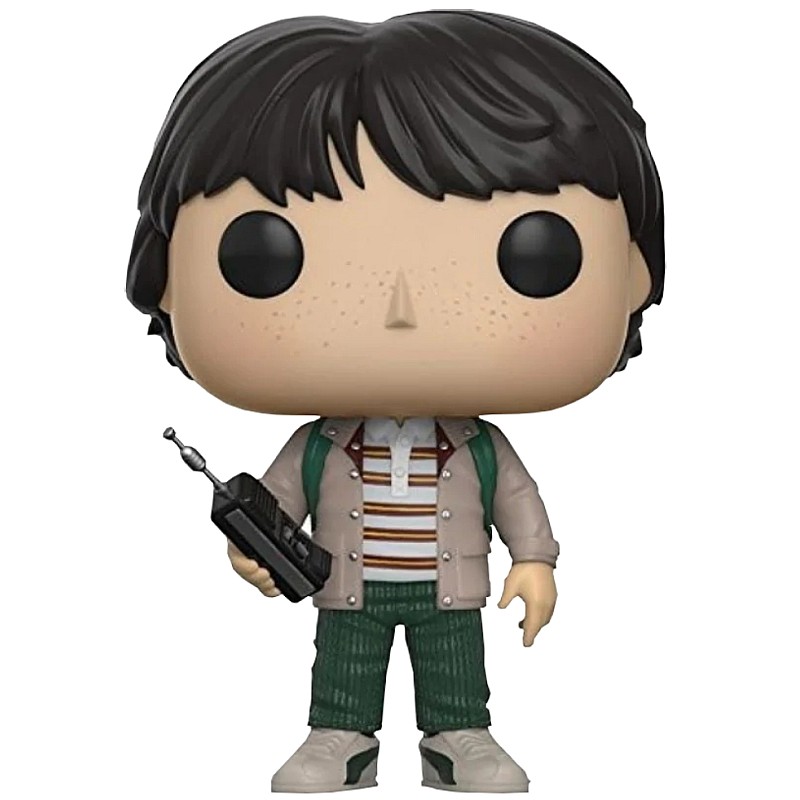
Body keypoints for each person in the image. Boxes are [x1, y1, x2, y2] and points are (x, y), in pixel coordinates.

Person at [126, 10, 664, 793]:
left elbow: (517, 501)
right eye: (265, 254)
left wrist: (535, 561)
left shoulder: (478, 447)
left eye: (534, 251)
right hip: (348, 585)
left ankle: (459, 736)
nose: (400, 308)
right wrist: (252, 546)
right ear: (166, 278)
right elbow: (276, 503)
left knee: (455, 666)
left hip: (452, 584)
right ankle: (340, 737)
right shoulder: (320, 447)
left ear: (633, 275)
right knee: (344, 669)